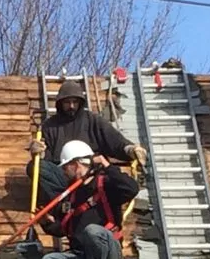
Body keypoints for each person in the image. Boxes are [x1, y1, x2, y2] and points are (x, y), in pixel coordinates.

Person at [41, 140, 139, 259]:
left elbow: (131, 188)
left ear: (77, 164)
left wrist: (108, 166)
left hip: (108, 251)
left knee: (92, 231)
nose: (64, 173)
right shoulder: (72, 195)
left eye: (66, 167)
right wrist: (47, 223)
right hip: (83, 256)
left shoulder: (105, 184)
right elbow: (65, 229)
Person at [25, 80, 146, 212]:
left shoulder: (93, 120)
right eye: (67, 102)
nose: (71, 106)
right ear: (60, 103)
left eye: (75, 102)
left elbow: (115, 141)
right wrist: (38, 153)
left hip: (91, 176)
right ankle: (61, 205)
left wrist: (131, 149)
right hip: (65, 177)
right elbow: (46, 158)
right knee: (34, 167)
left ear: (80, 102)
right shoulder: (50, 126)